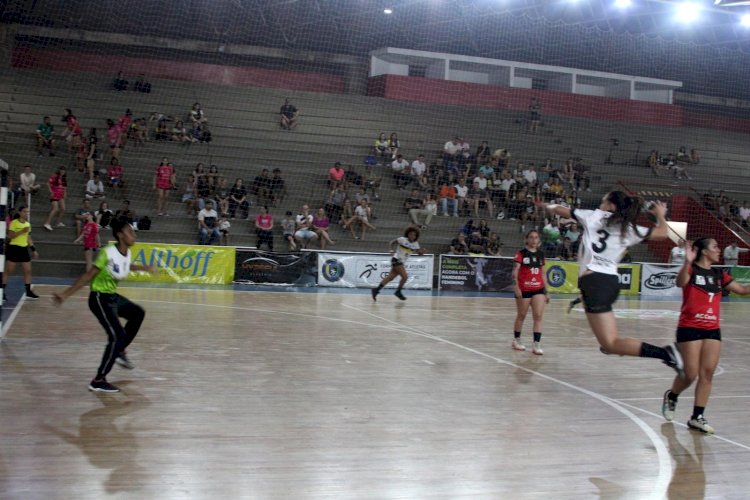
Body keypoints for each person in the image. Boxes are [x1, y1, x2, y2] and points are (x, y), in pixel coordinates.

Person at [541, 192, 684, 374]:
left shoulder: (593, 216)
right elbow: (663, 233)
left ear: (611, 205)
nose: (600, 204)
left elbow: (561, 210)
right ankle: (614, 344)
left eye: (603, 201)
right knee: (609, 341)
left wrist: (546, 205)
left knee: (611, 343)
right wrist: (660, 216)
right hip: (610, 282)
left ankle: (667, 353)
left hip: (593, 281)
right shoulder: (629, 229)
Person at [53, 218, 158, 393]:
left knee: (137, 313)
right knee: (116, 335)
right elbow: (88, 276)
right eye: (130, 232)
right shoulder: (107, 253)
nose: (134, 235)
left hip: (112, 296)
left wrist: (144, 268)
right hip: (99, 298)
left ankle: (120, 350)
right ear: (120, 235)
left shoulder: (126, 253)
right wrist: (65, 294)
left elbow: (126, 265)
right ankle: (98, 380)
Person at [661, 238, 750, 434]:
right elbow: (680, 282)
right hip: (690, 326)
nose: (719, 250)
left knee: (707, 373)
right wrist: (687, 261)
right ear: (703, 252)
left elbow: (743, 291)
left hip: (712, 328)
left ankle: (697, 417)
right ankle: (673, 396)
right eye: (715, 247)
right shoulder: (692, 270)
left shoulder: (720, 274)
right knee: (690, 373)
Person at [511, 230, 549, 354]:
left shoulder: (541, 255)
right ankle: (517, 340)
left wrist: (546, 291)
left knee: (538, 316)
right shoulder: (521, 254)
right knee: (521, 315)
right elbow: (515, 271)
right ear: (527, 239)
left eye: (536, 237)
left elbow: (543, 274)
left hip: (538, 289)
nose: (534, 240)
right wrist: (516, 287)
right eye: (531, 237)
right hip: (524, 289)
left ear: (539, 240)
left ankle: (536, 345)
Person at [371, 226, 425, 302]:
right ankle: (398, 291)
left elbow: (419, 253)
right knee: (405, 277)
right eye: (411, 234)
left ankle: (376, 290)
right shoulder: (402, 239)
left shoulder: (416, 244)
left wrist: (422, 252)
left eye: (414, 235)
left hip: (401, 262)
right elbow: (391, 242)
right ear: (408, 234)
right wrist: (391, 250)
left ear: (416, 236)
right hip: (396, 259)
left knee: (390, 277)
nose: (412, 236)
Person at [2, 206, 40, 301]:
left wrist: (33, 250)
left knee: (28, 271)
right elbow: (11, 236)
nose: (26, 213)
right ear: (20, 212)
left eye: (28, 212)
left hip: (23, 249)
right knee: (8, 271)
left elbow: (28, 238)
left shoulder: (28, 224)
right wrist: (22, 231)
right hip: (14, 248)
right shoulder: (14, 223)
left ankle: (28, 291)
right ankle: (1, 292)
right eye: (24, 211)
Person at [43, 167, 67, 231]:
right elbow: (48, 183)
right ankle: (47, 223)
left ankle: (58, 222)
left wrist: (65, 193)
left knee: (63, 209)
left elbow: (64, 187)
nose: (62, 172)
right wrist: (51, 191)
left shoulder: (64, 178)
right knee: (55, 209)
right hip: (55, 195)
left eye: (64, 171)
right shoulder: (55, 176)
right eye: (61, 171)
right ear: (59, 171)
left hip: (60, 195)